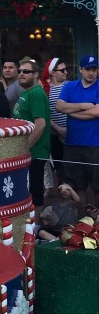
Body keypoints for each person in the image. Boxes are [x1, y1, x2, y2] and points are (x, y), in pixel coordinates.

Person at [55, 54, 99, 208]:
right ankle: (82, 223)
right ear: (80, 69)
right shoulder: (69, 86)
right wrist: (84, 106)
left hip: (95, 144)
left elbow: (96, 112)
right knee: (75, 185)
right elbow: (59, 106)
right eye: (88, 69)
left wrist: (71, 111)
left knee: (95, 186)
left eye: (94, 69)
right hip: (72, 143)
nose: (91, 72)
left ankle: (96, 225)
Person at [13, 59, 51, 221]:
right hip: (25, 152)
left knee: (34, 190)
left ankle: (35, 229)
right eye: (20, 71)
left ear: (35, 75)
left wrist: (26, 148)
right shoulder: (25, 93)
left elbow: (40, 124)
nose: (21, 74)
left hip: (34, 153)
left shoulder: (36, 93)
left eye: (26, 71)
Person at [41, 57, 68, 181]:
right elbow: (45, 114)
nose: (66, 72)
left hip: (71, 132)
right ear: (53, 73)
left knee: (72, 164)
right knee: (58, 165)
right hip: (53, 133)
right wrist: (58, 129)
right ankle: (63, 191)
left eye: (66, 69)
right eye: (62, 70)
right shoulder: (45, 89)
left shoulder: (70, 86)